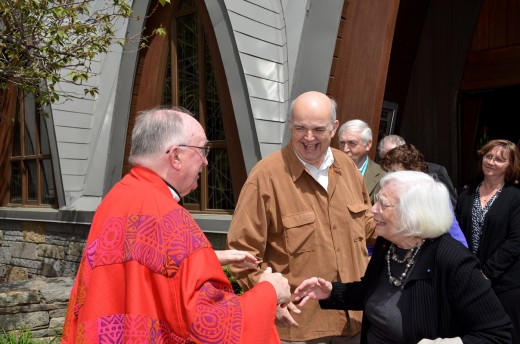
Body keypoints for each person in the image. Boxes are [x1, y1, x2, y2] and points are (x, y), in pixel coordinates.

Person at [61, 107, 291, 343]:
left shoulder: (117, 197)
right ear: (175, 156)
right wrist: (269, 291)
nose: (205, 162)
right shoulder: (169, 218)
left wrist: (207, 258)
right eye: (202, 150)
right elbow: (208, 324)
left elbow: (138, 265)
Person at [294, 171, 513, 344]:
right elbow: (370, 292)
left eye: (383, 204)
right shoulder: (388, 244)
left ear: (413, 214)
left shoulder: (453, 261)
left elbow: (497, 333)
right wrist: (331, 291)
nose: (372, 210)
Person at [227, 91, 375, 343]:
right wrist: (269, 297)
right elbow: (242, 252)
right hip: (299, 328)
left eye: (318, 129)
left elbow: (368, 229)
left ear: (334, 128)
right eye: (300, 128)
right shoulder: (266, 176)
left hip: (356, 322)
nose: (308, 138)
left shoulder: (349, 167)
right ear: (290, 126)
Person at [455, 139, 520, 342]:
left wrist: (487, 272)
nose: (491, 162)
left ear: (510, 166)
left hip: (504, 285)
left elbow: (515, 242)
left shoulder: (515, 197)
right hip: (469, 279)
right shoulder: (466, 193)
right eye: (488, 156)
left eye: (500, 159)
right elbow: (456, 235)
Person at [380, 143, 468, 247]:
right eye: (389, 172)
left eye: (394, 172)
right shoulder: (392, 196)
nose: (390, 177)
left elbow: (454, 232)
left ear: (413, 171)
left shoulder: (432, 195)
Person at [377, 134, 458, 207]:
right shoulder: (384, 177)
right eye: (386, 158)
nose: (389, 161)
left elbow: (452, 206)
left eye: (393, 156)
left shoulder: (435, 175)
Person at [338, 119, 385, 204]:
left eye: (352, 143)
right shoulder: (326, 169)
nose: (345, 149)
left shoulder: (382, 177)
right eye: (342, 143)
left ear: (368, 145)